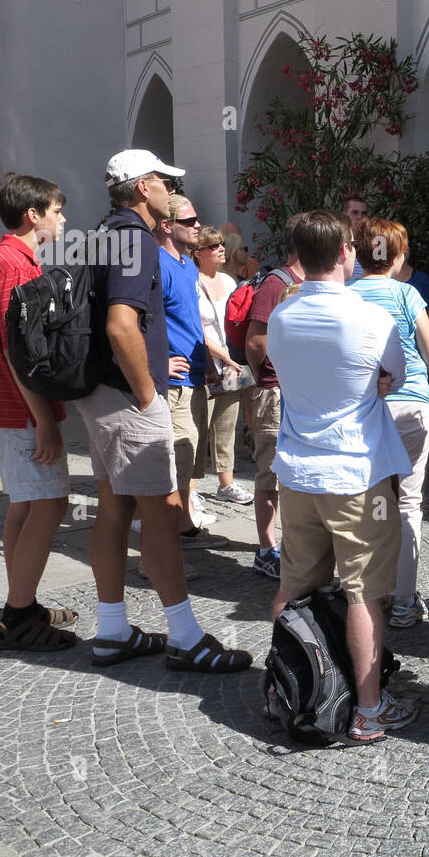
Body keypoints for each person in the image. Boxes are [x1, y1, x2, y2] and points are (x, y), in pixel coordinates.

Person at [74, 149, 250, 672]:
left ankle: (111, 631)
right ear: (142, 186)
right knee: (162, 515)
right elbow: (121, 325)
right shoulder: (134, 239)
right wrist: (148, 394)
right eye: (163, 182)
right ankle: (186, 637)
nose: (170, 190)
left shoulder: (104, 230)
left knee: (114, 510)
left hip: (101, 394)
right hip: (130, 398)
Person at [266, 210, 418, 742]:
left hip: (298, 471)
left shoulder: (281, 317)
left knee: (294, 583)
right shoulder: (373, 321)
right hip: (356, 473)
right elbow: (392, 377)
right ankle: (369, 710)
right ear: (345, 253)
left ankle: (281, 688)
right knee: (363, 592)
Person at [0, 173, 76, 651]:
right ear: (32, 215)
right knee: (50, 504)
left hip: (9, 406)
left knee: (24, 503)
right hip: (22, 410)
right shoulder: (16, 264)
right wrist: (43, 420)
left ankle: (23, 602)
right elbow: (23, 353)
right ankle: (18, 616)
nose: (63, 219)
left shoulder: (8, 258)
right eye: (57, 211)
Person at [352, 218, 429, 629]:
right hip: (411, 405)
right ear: (398, 255)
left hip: (365, 407)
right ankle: (404, 600)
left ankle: (374, 594)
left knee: (372, 503)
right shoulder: (407, 293)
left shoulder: (346, 296)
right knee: (408, 503)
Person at [154, 194, 225, 543]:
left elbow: (189, 320)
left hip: (195, 374)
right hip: (175, 379)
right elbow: (138, 321)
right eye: (190, 220)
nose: (198, 225)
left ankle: (182, 521)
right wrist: (158, 361)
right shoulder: (158, 263)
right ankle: (167, 528)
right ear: (167, 226)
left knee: (192, 455)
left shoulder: (185, 264)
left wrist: (209, 362)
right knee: (179, 454)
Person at [242, 215, 304, 580]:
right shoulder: (276, 283)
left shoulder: (303, 281)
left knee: (290, 472)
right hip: (275, 391)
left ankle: (290, 545)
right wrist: (269, 379)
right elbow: (255, 342)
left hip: (294, 391)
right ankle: (266, 550)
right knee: (270, 471)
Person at [191, 225, 252, 505]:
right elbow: (195, 330)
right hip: (205, 364)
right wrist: (224, 356)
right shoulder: (191, 281)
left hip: (229, 364)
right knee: (198, 427)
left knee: (227, 425)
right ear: (198, 253)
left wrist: (235, 356)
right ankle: (190, 489)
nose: (220, 249)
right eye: (213, 246)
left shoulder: (229, 282)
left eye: (221, 244)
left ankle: (226, 484)